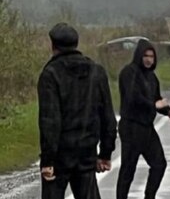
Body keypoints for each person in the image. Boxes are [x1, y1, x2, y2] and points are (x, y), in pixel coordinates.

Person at [38, 22, 117, 199]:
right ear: (76, 44)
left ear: (53, 46)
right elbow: (108, 117)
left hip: (60, 155)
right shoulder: (97, 72)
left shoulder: (50, 74)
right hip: (87, 152)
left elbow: (50, 120)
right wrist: (105, 153)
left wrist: (47, 159)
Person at [117, 39, 170, 199]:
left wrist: (169, 112)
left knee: (159, 164)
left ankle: (149, 196)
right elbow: (132, 97)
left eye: (151, 56)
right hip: (131, 126)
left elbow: (157, 99)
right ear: (139, 55)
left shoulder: (151, 77)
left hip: (146, 127)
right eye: (145, 55)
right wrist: (154, 104)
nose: (148, 59)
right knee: (128, 169)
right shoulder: (129, 73)